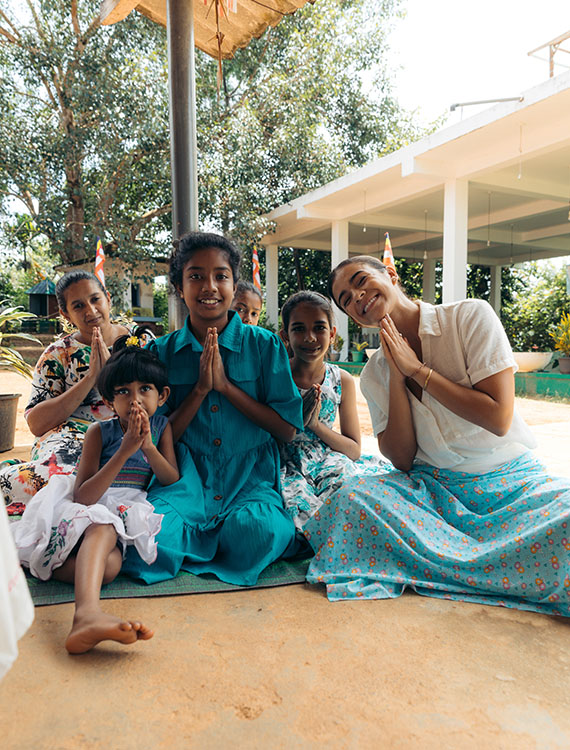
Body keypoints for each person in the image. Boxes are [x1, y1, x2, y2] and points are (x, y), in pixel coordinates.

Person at [304, 254, 570, 617]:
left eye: (361, 280)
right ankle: (490, 568)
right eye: (347, 300)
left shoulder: (468, 318)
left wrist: (418, 370)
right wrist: (397, 377)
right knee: (350, 500)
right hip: (433, 493)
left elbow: (499, 417)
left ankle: (445, 567)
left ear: (391, 274)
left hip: (510, 484)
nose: (358, 296)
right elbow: (401, 459)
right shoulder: (373, 373)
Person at [122, 231, 304, 587]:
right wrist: (201, 391)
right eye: (196, 276)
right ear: (178, 286)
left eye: (221, 276)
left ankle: (207, 545)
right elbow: (156, 435)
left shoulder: (264, 345)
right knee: (147, 538)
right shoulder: (161, 352)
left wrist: (226, 388)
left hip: (249, 476)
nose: (209, 286)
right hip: (183, 477)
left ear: (234, 286)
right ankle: (203, 543)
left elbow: (286, 429)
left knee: (261, 529)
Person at [11, 337, 179, 653]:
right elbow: (83, 497)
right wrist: (125, 450)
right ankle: (86, 614)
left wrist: (147, 447)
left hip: (125, 510)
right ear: (107, 400)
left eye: (145, 389)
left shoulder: (161, 427)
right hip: (87, 507)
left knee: (111, 568)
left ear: (162, 395)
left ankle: (28, 561)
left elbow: (170, 478)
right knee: (102, 525)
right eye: (123, 392)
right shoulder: (99, 432)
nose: (135, 400)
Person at [0, 270, 130, 507]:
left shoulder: (138, 344)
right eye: (78, 306)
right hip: (67, 441)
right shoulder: (58, 354)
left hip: (124, 436)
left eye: (95, 299)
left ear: (108, 298)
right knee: (59, 483)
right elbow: (36, 424)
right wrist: (90, 378)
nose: (90, 311)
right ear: (65, 314)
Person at [279, 291, 386, 529]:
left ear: (332, 334)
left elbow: (354, 450)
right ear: (285, 335)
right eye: (298, 329)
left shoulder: (341, 380)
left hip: (329, 459)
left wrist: (314, 424)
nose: (310, 337)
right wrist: (295, 419)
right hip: (285, 464)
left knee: (354, 497)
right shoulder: (275, 376)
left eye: (319, 328)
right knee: (297, 512)